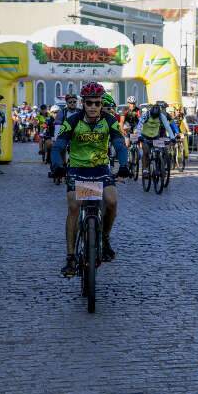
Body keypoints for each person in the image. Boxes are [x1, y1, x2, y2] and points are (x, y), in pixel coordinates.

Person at [51, 82, 129, 277]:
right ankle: (70, 257)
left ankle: (104, 237)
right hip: (77, 169)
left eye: (97, 103)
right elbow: (58, 146)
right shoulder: (73, 120)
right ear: (82, 103)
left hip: (101, 169)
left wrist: (124, 165)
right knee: (74, 207)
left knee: (111, 201)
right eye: (89, 103)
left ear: (102, 103)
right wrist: (57, 166)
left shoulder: (109, 120)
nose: (93, 107)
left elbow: (119, 144)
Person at [136, 102, 175, 178]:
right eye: (153, 116)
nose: (154, 118)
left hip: (155, 136)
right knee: (146, 152)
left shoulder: (161, 116)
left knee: (158, 152)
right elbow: (139, 125)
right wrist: (139, 135)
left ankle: (158, 167)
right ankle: (145, 170)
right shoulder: (146, 115)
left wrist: (172, 137)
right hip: (145, 136)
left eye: (155, 117)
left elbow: (167, 126)